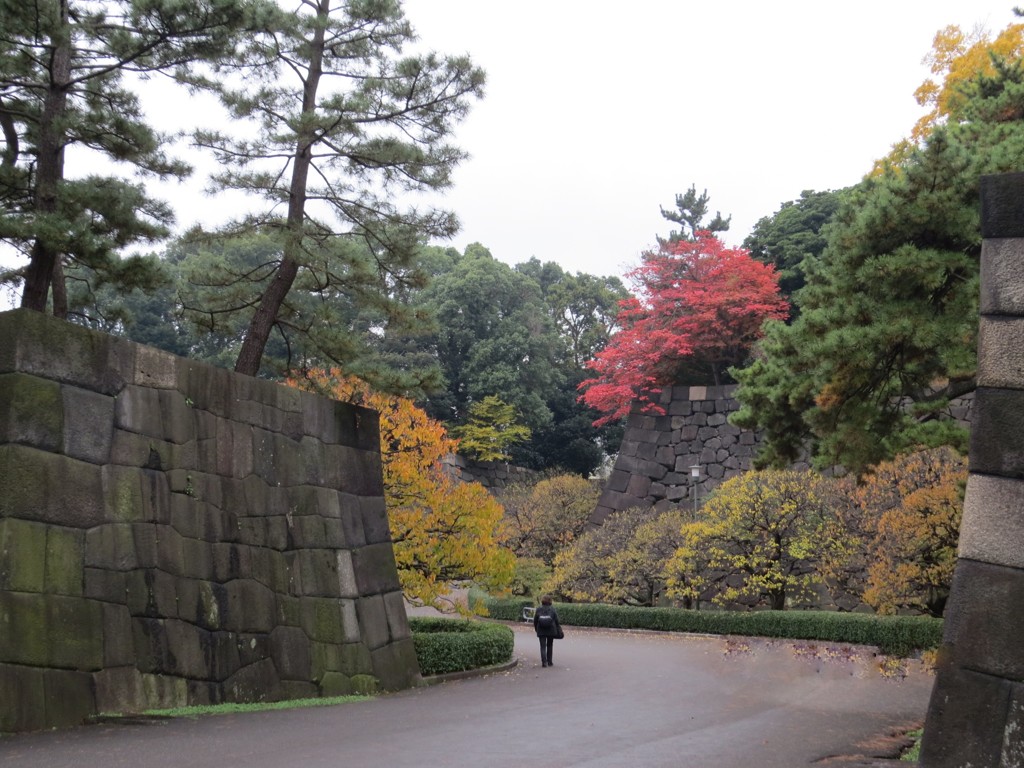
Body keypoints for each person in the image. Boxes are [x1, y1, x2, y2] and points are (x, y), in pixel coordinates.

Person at [532, 595, 561, 667]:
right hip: (551, 630)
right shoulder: (552, 609)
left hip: (541, 630)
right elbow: (556, 620)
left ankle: (544, 662)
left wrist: (536, 628)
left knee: (542, 646)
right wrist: (558, 628)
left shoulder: (539, 609)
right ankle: (550, 661)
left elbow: (535, 620)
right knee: (550, 645)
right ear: (550, 601)